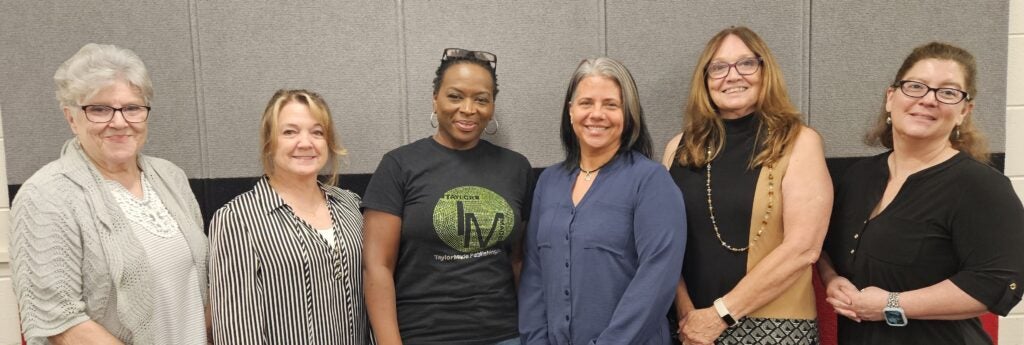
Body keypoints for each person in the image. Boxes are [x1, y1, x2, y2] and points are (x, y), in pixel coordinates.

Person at [817, 42, 1024, 345]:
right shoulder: (859, 177)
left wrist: (891, 304)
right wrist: (831, 280)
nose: (928, 100)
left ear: (964, 111)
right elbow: (825, 247)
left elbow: (997, 283)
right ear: (891, 98)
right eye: (916, 87)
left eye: (948, 92)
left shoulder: (981, 186)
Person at [8, 43, 208, 345]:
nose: (118, 121)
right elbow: (61, 321)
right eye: (99, 109)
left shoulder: (171, 177)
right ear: (71, 118)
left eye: (132, 108)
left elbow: (194, 289)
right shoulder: (45, 196)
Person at [662, 26, 832, 345]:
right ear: (705, 79)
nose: (732, 75)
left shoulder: (800, 142)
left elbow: (803, 248)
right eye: (719, 67)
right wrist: (687, 315)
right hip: (690, 328)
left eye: (746, 63)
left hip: (777, 329)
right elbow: (663, 243)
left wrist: (720, 315)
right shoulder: (678, 148)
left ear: (765, 70)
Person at [362, 48, 531, 345]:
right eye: (455, 96)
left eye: (481, 99)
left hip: (505, 335)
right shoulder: (399, 166)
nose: (468, 108)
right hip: (423, 335)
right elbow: (377, 267)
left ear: (492, 106)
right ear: (435, 99)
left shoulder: (515, 168)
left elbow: (519, 261)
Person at [519, 57, 687, 345]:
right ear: (570, 112)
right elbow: (534, 275)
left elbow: (657, 280)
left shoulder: (651, 181)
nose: (597, 114)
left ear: (629, 115)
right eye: (586, 103)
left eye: (611, 105)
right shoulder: (548, 182)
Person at [209, 89, 372, 344]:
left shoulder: (351, 205)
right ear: (269, 143)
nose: (305, 143)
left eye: (317, 132)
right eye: (290, 132)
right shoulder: (236, 220)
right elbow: (237, 333)